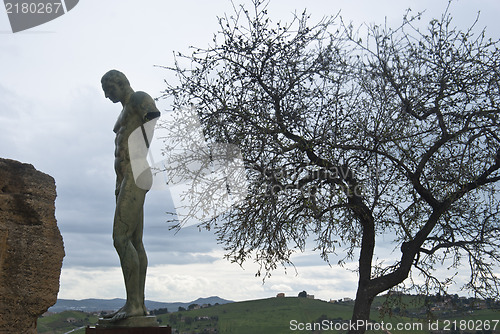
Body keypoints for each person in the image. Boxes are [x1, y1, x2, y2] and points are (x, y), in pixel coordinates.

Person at [100, 70, 160, 321]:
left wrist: (138, 155)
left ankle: (134, 305)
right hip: (126, 177)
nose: (106, 95)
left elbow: (152, 117)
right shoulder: (123, 112)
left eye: (108, 89)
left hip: (136, 171)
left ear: (119, 82)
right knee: (134, 242)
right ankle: (137, 305)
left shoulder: (138, 98)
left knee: (120, 238)